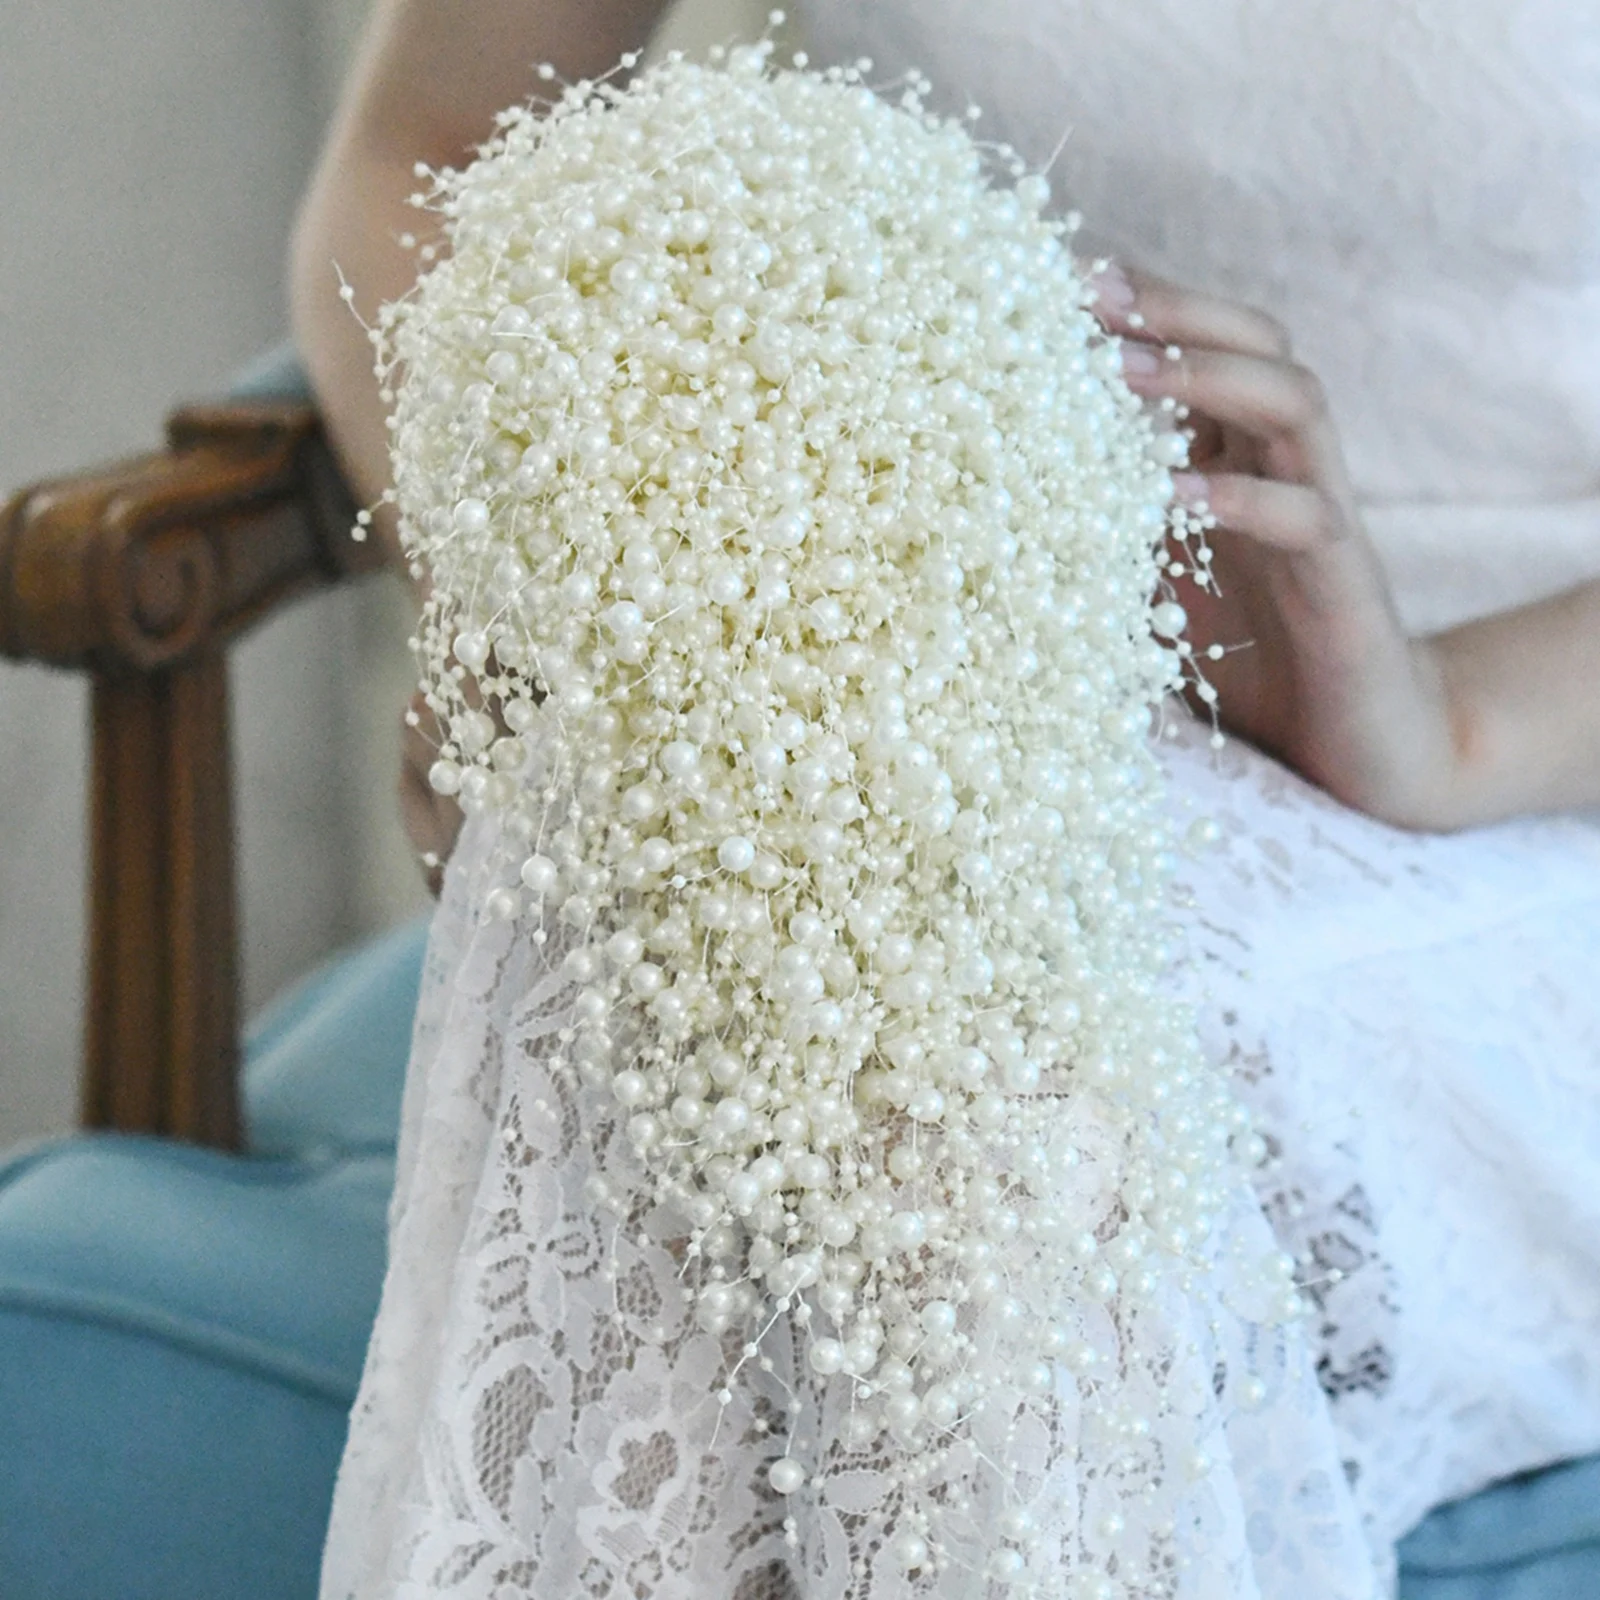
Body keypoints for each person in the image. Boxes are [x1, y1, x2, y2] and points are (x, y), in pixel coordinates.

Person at [290, 2, 1600, 1594]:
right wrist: (535, 596)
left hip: (1529, 771)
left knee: (968, 1109)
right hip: (907, 651)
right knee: (749, 929)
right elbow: (409, 155)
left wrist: (1443, 715)